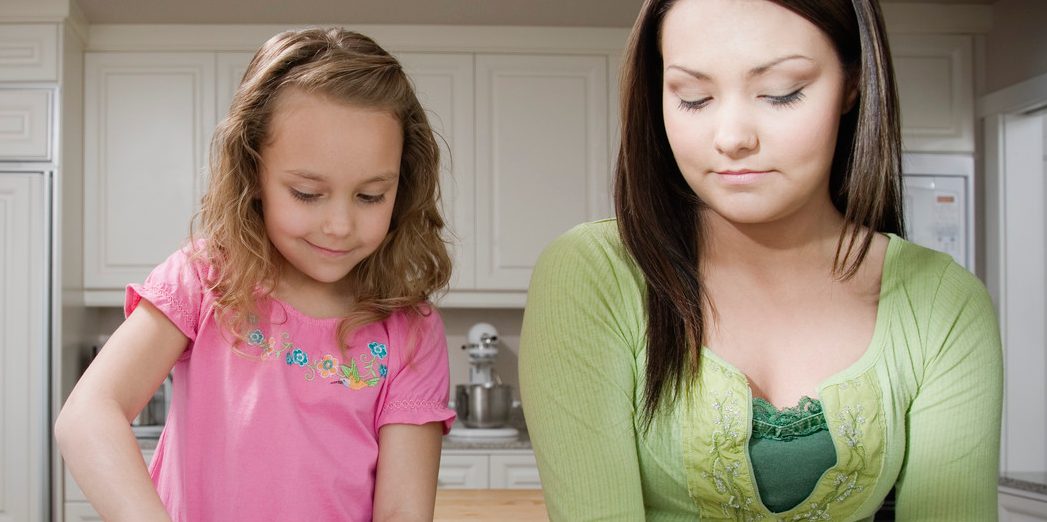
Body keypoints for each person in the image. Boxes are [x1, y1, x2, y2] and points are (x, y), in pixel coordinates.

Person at [519, 0, 1002, 520]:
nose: (731, 139)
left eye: (780, 93)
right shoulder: (594, 273)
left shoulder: (944, 302)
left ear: (853, 83)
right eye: (694, 98)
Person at [55, 28, 455, 522]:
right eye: (307, 193)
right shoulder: (206, 279)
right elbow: (89, 414)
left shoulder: (410, 332)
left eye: (370, 196)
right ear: (253, 174)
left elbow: (402, 512)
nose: (339, 225)